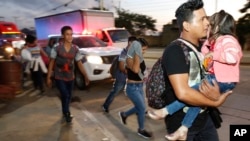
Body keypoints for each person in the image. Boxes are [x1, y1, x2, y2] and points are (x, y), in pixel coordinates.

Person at [148, 9, 242, 140]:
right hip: (179, 119)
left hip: (205, 118)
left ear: (217, 27)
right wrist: (215, 101)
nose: (206, 25)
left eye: (208, 23)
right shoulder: (176, 50)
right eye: (202, 20)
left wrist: (215, 96)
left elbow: (226, 60)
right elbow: (184, 93)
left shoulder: (215, 44)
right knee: (195, 91)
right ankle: (171, 117)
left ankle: (178, 124)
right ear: (187, 25)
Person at [46, 26, 89, 123]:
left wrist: (85, 75)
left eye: (71, 34)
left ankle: (64, 111)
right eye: (67, 34)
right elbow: (51, 62)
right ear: (63, 36)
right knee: (65, 94)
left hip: (71, 77)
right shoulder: (57, 47)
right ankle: (67, 113)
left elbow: (79, 63)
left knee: (68, 96)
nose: (70, 36)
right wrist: (49, 77)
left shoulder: (76, 49)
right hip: (59, 76)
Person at [118, 38, 152, 139]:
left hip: (140, 86)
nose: (144, 52)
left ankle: (124, 114)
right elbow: (136, 70)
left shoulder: (140, 58)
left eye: (145, 50)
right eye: (142, 49)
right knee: (141, 108)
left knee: (140, 107)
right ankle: (141, 130)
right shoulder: (130, 58)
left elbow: (141, 72)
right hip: (132, 88)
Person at [102, 36, 137, 113]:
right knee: (115, 92)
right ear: (130, 43)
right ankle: (105, 105)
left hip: (129, 77)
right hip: (121, 77)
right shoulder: (124, 53)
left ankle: (140, 108)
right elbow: (121, 67)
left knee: (136, 93)